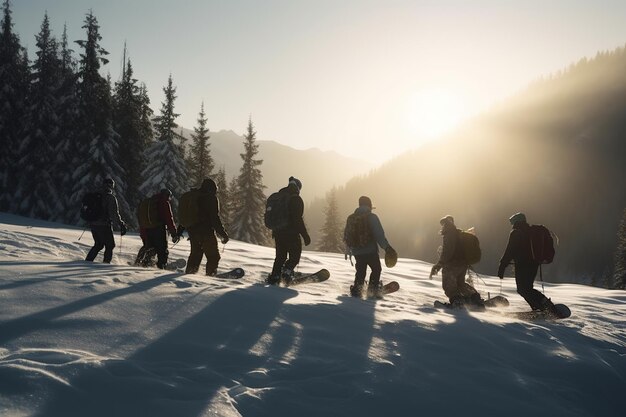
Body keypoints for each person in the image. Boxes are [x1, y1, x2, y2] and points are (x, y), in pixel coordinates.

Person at [498, 212, 556, 312]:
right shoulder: (531, 231)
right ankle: (543, 305)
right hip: (534, 264)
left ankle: (540, 307)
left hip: (522, 265)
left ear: (515, 222)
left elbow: (510, 251)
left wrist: (502, 266)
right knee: (527, 288)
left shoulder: (516, 232)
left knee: (522, 289)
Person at [344, 196, 394, 298]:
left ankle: (357, 290)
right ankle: (372, 290)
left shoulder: (351, 218)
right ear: (369, 205)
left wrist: (348, 250)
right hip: (370, 251)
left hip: (357, 252)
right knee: (376, 269)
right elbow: (379, 234)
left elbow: (347, 235)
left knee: (360, 272)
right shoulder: (372, 217)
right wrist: (387, 247)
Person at [430, 215, 483, 307]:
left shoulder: (449, 234)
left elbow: (448, 250)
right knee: (460, 284)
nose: (443, 226)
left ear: (445, 224)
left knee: (448, 285)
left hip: (452, 264)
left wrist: (439, 264)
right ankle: (474, 297)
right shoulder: (459, 233)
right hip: (463, 264)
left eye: (443, 224)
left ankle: (457, 302)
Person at [267, 176, 311, 285]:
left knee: (280, 257)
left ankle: (275, 277)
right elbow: (297, 219)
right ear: (298, 187)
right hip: (291, 233)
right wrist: (305, 235)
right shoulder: (295, 199)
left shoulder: (278, 197)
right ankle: (286, 274)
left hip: (278, 232)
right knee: (295, 256)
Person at [184, 178, 229, 276]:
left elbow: (187, 214)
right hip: (206, 232)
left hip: (193, 231)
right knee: (214, 256)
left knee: (195, 255)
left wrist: (180, 230)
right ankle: (210, 275)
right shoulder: (211, 198)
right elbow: (214, 218)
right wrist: (223, 234)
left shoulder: (195, 196)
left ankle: (189, 275)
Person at [135, 188, 180, 269]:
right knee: (162, 250)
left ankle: (144, 265)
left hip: (148, 229)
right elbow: (169, 218)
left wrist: (143, 233)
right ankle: (161, 267)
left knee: (150, 248)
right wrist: (174, 233)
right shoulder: (164, 202)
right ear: (167, 195)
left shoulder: (150, 202)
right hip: (159, 229)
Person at [85, 178, 127, 264]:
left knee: (98, 244)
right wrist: (121, 224)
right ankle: (105, 264)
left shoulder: (96, 195)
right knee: (110, 245)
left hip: (93, 224)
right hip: (103, 225)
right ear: (111, 186)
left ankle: (88, 262)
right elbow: (113, 214)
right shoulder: (110, 198)